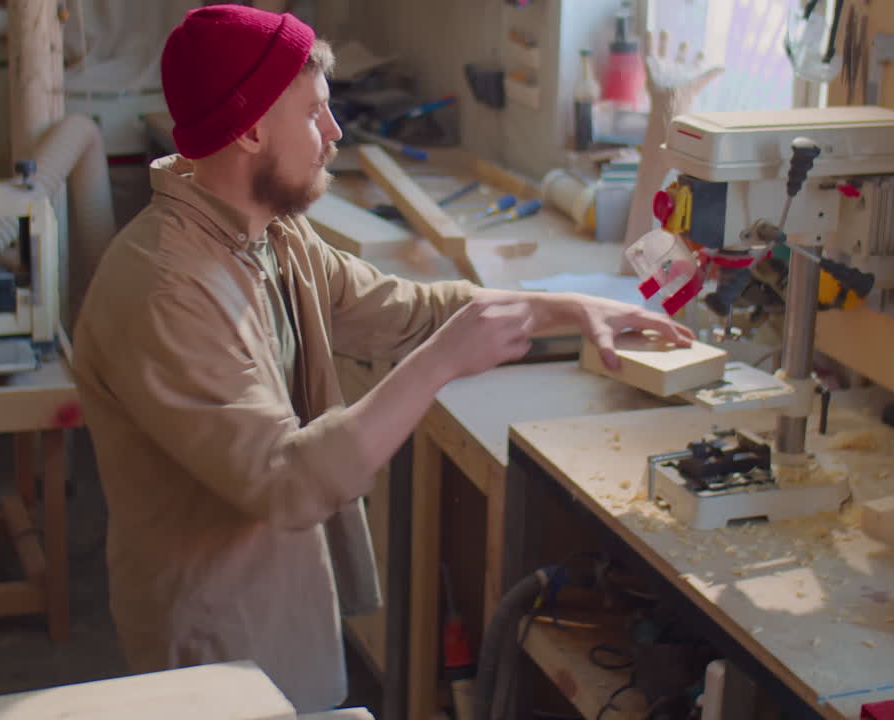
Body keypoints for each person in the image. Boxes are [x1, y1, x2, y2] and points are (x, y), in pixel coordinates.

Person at [71, 4, 694, 712]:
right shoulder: (167, 289)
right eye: (314, 114)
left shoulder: (268, 237)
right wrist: (437, 367)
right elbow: (285, 481)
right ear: (247, 129)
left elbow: (406, 311)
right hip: (211, 632)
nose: (334, 135)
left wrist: (567, 310)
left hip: (283, 596)